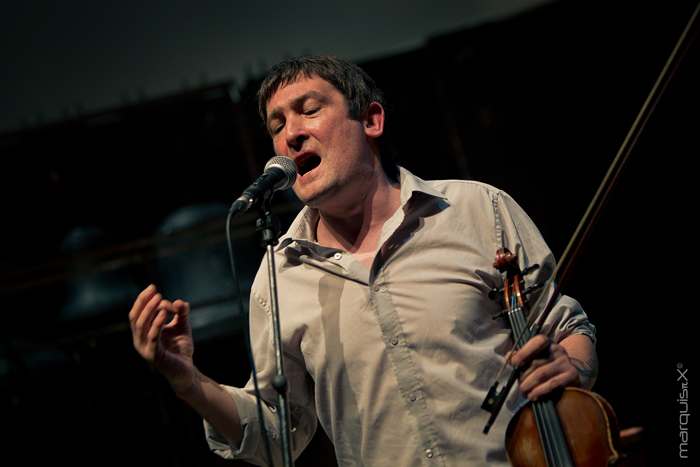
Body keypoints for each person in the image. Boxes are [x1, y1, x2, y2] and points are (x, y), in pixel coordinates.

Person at [129, 55, 598, 466]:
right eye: (276, 126)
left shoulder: (477, 209)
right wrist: (187, 381)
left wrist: (572, 367)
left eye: (309, 110)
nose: (291, 134)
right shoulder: (280, 277)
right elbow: (277, 434)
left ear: (371, 120)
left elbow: (567, 328)